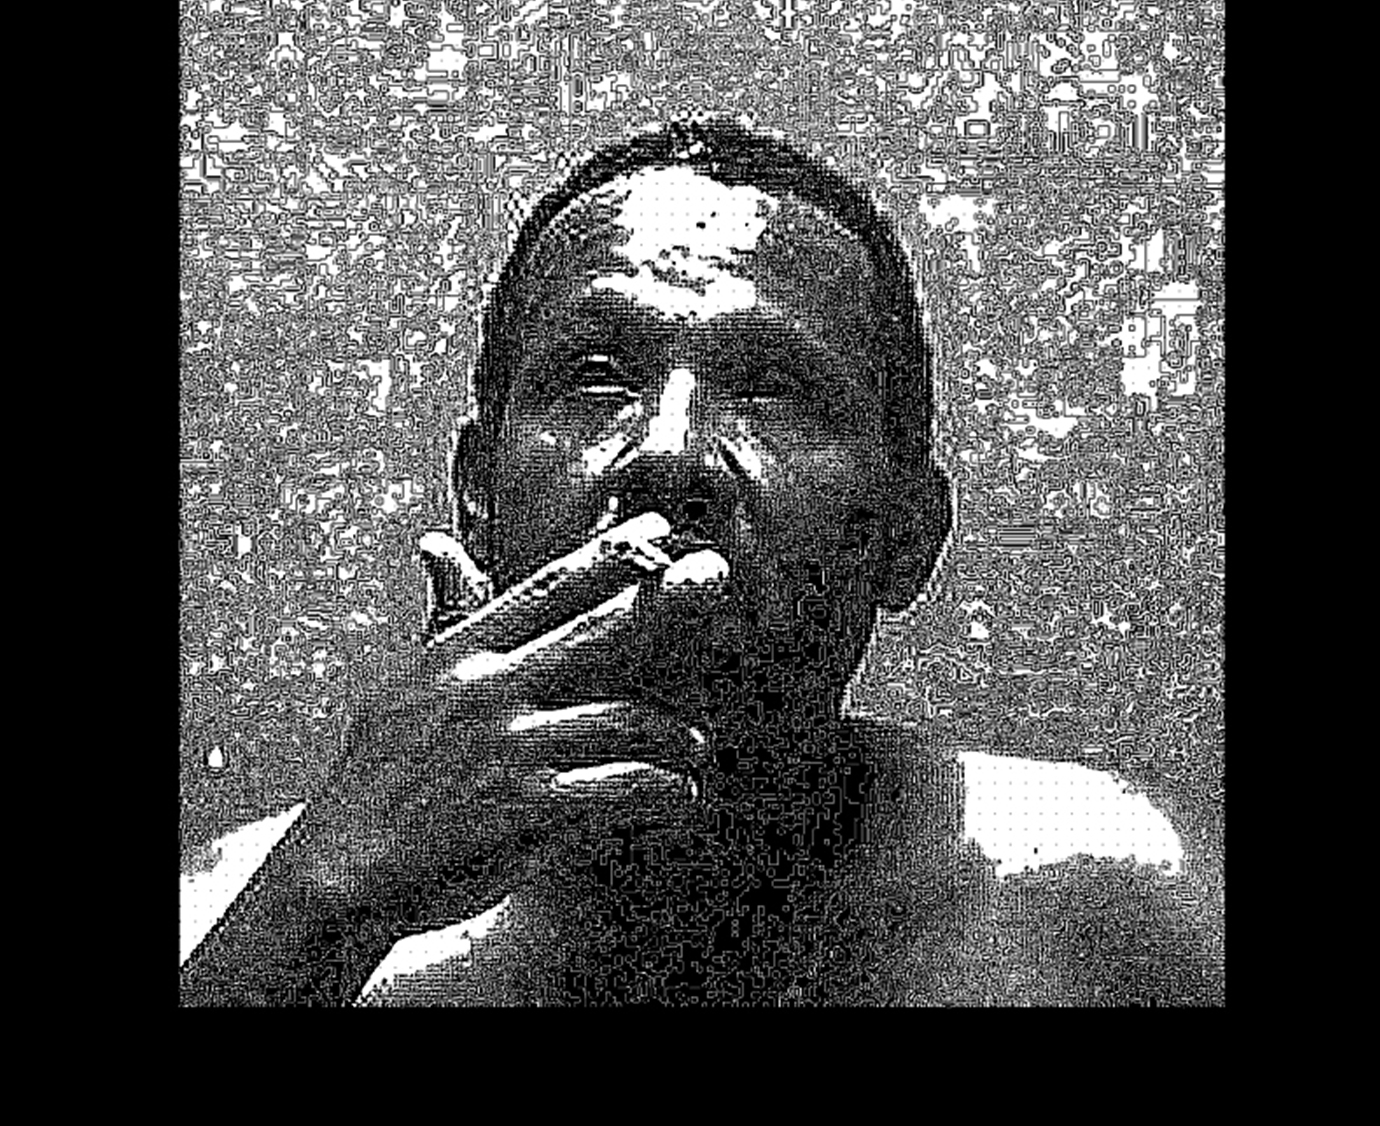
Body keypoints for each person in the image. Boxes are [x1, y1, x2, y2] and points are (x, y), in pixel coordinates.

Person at [180, 120, 1223, 1006]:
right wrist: (325, 907)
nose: (668, 452)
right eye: (595, 379)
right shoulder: (245, 916)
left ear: (909, 534)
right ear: (477, 494)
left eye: (773, 390)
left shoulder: (1111, 900)